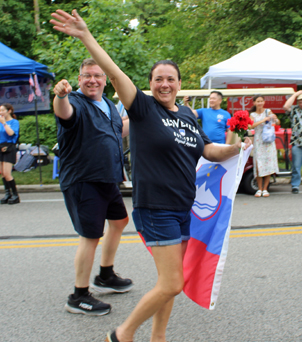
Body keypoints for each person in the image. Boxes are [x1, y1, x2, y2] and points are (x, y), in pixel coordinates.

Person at [50, 9, 251, 342]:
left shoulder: (187, 114)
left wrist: (236, 146)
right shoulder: (142, 108)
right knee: (173, 283)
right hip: (155, 208)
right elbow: (113, 74)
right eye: (158, 78)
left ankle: (158, 337)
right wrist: (86, 36)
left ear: (179, 84)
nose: (164, 83)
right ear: (150, 84)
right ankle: (123, 334)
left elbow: (209, 150)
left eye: (170, 78)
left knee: (167, 282)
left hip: (183, 207)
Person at [52, 58, 132, 316]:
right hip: (84, 179)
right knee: (90, 236)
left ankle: (106, 276)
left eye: (97, 75)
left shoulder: (107, 104)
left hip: (106, 178)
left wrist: (146, 116)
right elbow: (63, 112)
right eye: (87, 75)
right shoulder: (74, 101)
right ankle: (79, 295)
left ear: (105, 79)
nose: (92, 80)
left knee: (119, 221)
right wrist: (60, 95)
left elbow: (118, 129)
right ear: (79, 79)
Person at [249, 95, 280, 197]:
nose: (260, 103)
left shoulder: (268, 111)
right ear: (254, 103)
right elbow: (251, 125)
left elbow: (278, 122)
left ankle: (265, 189)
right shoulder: (252, 114)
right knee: (259, 165)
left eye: (261, 101)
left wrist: (275, 118)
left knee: (268, 165)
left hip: (269, 142)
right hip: (258, 141)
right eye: (258, 101)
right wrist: (263, 120)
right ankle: (259, 188)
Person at [0, 103, 20, 204]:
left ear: (9, 111)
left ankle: (15, 195)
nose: (1, 113)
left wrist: (4, 123)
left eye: (3, 110)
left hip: (9, 147)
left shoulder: (14, 122)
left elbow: (11, 133)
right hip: (0, 147)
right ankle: (8, 194)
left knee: (7, 174)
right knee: (2, 173)